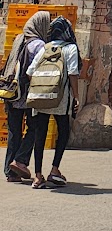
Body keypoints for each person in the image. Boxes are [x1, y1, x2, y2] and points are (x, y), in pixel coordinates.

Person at [29, 16, 81, 189]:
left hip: (41, 97)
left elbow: (30, 72)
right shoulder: (71, 48)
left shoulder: (44, 48)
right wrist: (76, 95)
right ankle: (54, 169)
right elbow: (73, 73)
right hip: (61, 98)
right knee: (63, 131)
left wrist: (42, 87)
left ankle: (37, 176)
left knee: (40, 135)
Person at [2, 10, 51, 182]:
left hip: (13, 95)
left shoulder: (19, 39)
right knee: (35, 128)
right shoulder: (38, 45)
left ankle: (10, 172)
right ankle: (20, 161)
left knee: (14, 132)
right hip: (29, 96)